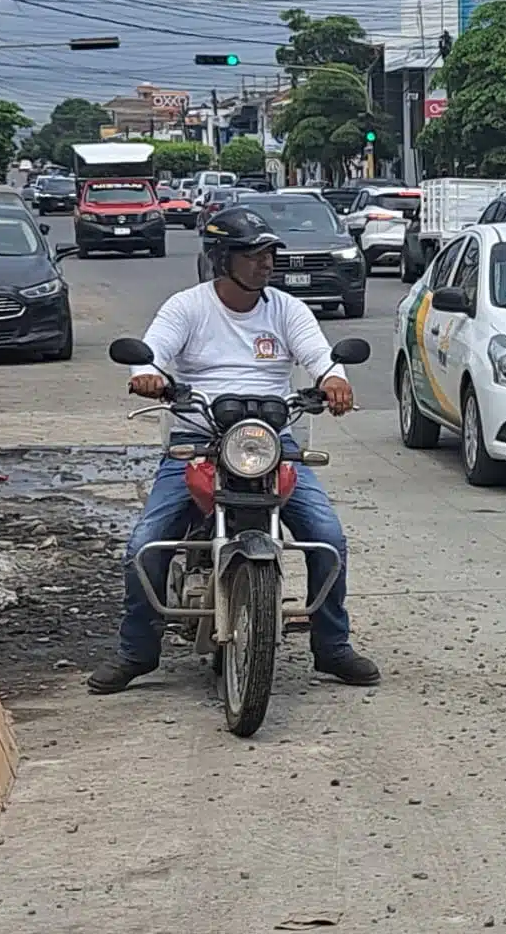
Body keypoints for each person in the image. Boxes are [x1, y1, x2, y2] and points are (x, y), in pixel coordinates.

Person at [92, 207, 381, 694]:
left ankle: (332, 647)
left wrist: (334, 381)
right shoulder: (187, 307)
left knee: (328, 538)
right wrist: (148, 376)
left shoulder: (287, 309)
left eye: (268, 254)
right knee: (145, 545)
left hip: (268, 441)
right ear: (222, 259)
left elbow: (319, 356)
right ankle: (136, 651)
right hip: (196, 440)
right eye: (253, 255)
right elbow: (154, 352)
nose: (265, 264)